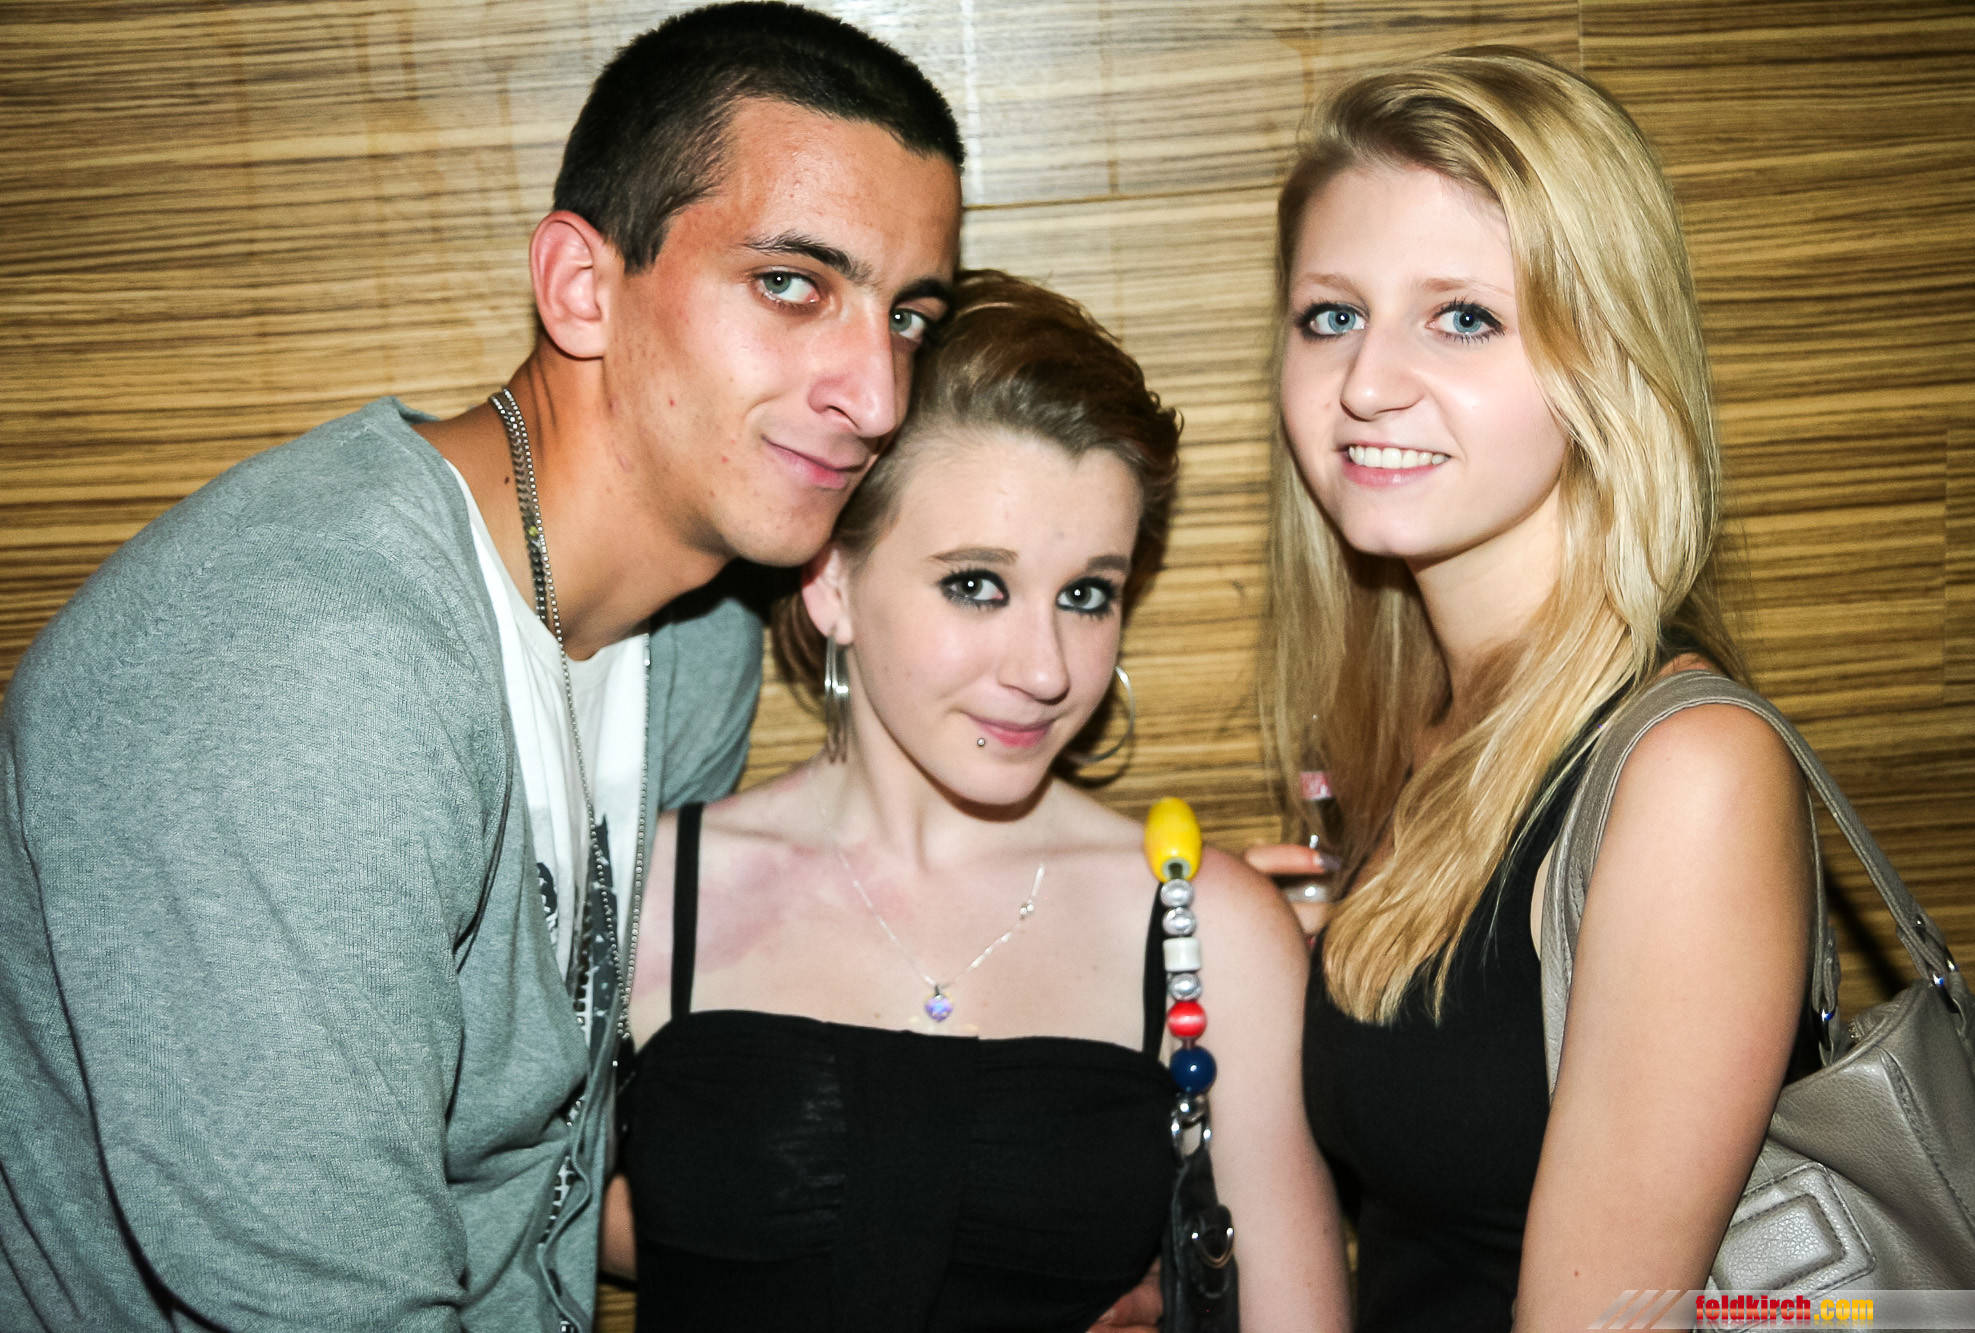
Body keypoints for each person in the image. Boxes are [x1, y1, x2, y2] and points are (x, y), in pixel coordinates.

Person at [0, 6, 960, 1330]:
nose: (878, 394)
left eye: (907, 316)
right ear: (580, 288)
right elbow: (324, 1307)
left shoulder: (697, 641)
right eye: (791, 284)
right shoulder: (307, 669)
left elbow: (561, 1160)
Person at [597, 269, 1347, 1332]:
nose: (1045, 668)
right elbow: (519, 1220)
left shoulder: (1205, 928)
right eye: (975, 585)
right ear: (832, 579)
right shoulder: (641, 893)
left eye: (1085, 594)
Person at [1245, 48, 1818, 1332]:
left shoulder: (1688, 773)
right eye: (1329, 316)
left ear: (1602, 360)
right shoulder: (1420, 721)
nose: (1365, 382)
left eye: (1461, 317)